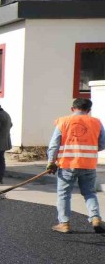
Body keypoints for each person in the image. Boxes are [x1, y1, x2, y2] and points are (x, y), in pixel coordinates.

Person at [47, 97, 105, 234]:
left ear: (72, 109)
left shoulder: (63, 121)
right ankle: (95, 218)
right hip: (89, 164)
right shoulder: (96, 122)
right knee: (89, 193)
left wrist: (51, 162)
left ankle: (64, 223)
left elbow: (54, 144)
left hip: (67, 164)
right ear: (89, 110)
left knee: (64, 194)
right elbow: (102, 143)